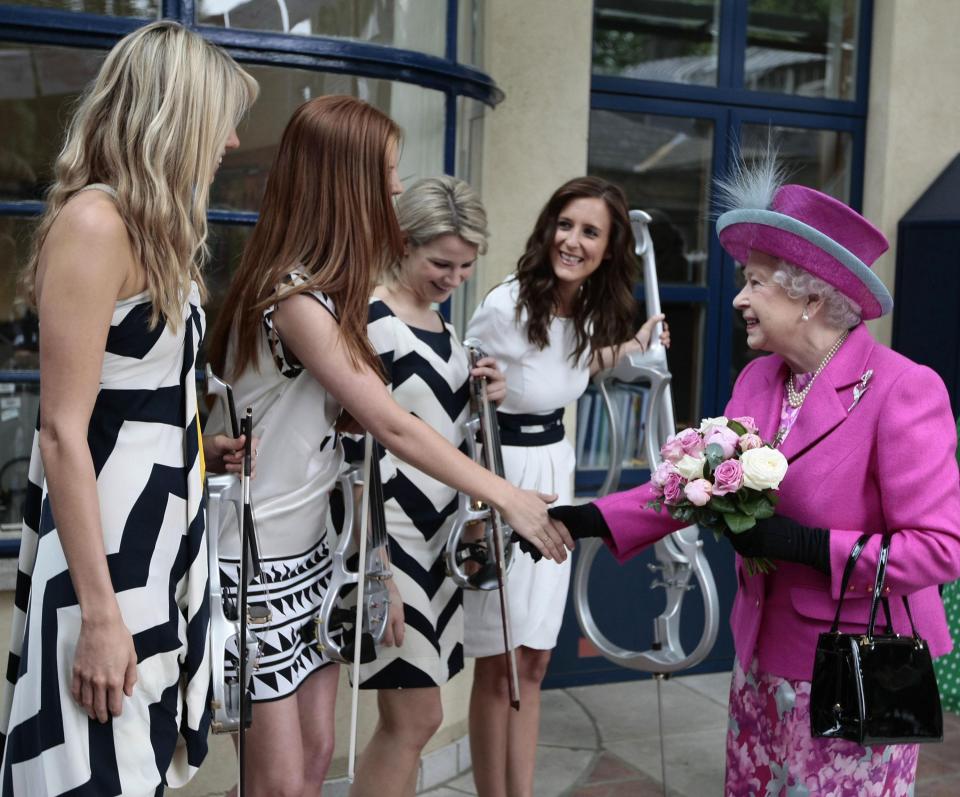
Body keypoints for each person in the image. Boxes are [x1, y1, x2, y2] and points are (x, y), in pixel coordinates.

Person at [549, 155, 960, 795]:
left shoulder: (903, 390)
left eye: (756, 282)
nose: (738, 298)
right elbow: (701, 483)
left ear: (811, 297)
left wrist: (808, 546)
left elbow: (937, 550)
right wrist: (587, 519)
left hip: (853, 665)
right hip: (760, 656)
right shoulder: (760, 377)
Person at [205, 96, 572, 797]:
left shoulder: (325, 295)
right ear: (345, 180)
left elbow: (318, 420)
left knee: (312, 764)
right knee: (282, 782)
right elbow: (393, 427)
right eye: (389, 172)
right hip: (257, 563)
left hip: (310, 556)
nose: (398, 189)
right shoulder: (296, 298)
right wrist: (510, 498)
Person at [0, 21, 258, 796]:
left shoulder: (152, 228)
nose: (236, 141)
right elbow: (60, 430)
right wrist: (100, 612)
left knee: (131, 769)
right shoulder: (95, 222)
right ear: (175, 117)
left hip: (151, 541)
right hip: (105, 558)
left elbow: (129, 394)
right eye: (223, 119)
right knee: (91, 771)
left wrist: (197, 442)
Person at [462, 176, 668, 797]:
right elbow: (455, 389)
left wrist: (631, 345)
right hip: (503, 479)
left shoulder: (585, 311)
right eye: (565, 224)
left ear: (609, 248)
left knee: (536, 659)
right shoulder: (507, 304)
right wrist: (480, 394)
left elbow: (569, 366)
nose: (572, 241)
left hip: (556, 473)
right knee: (502, 661)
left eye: (590, 232)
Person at [346, 175, 501, 796]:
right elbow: (354, 450)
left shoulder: (442, 324)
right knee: (417, 717)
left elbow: (448, 433)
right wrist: (374, 561)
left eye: (465, 266)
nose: (454, 277)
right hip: (393, 537)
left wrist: (489, 395)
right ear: (403, 242)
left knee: (411, 719)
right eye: (442, 263)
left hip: (442, 542)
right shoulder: (370, 319)